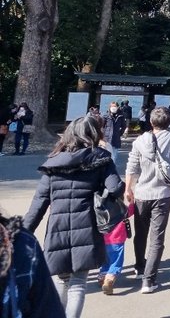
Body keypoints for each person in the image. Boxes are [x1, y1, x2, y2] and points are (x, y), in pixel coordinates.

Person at [23, 115, 125, 318]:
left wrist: (23, 234)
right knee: (78, 284)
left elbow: (38, 204)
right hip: (87, 228)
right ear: (94, 134)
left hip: (57, 229)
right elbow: (116, 188)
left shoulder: (52, 163)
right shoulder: (100, 158)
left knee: (61, 280)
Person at [125, 106, 170, 293]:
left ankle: (139, 267)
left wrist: (128, 189)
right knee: (157, 237)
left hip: (141, 194)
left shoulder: (139, 140)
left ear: (151, 121)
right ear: (169, 122)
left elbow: (132, 167)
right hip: (162, 195)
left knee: (141, 233)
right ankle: (149, 280)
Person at [0, 211, 66, 318]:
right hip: (77, 238)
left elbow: (39, 201)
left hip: (60, 236)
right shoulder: (22, 244)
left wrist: (27, 227)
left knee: (68, 281)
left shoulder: (22, 244)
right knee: (76, 283)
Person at [98, 201, 135, 294]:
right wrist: (132, 202)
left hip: (103, 240)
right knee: (116, 262)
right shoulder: (120, 208)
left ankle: (102, 277)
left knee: (104, 261)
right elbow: (131, 211)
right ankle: (109, 280)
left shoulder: (99, 209)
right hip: (117, 241)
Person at [103, 102, 127, 167]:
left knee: (114, 156)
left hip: (116, 138)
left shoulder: (121, 116)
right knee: (106, 156)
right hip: (107, 139)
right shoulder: (106, 116)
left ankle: (111, 169)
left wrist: (119, 133)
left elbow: (124, 126)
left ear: (117, 107)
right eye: (112, 106)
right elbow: (101, 126)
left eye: (115, 106)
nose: (113, 108)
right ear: (109, 107)